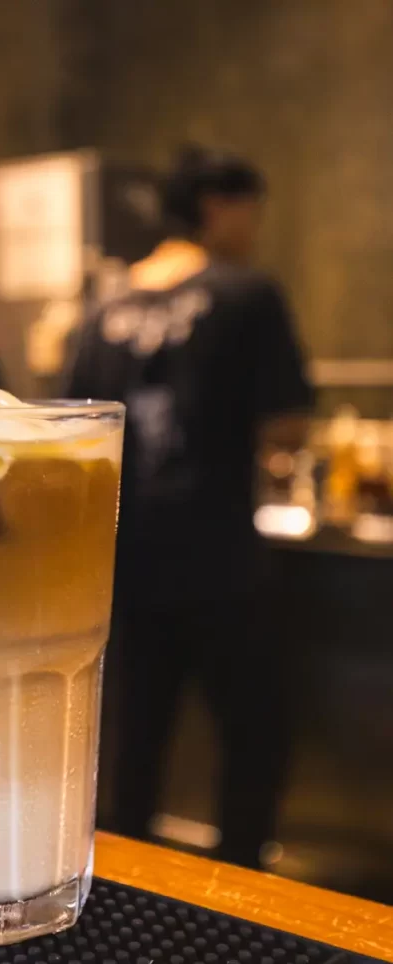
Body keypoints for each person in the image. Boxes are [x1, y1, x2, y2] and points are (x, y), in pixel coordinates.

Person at [69, 144, 314, 869]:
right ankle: (248, 891)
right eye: (251, 213)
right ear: (217, 207)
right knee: (255, 730)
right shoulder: (246, 293)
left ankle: (129, 882)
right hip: (218, 558)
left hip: (122, 564)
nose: (254, 230)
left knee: (131, 743)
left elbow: (70, 428)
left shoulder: (103, 307)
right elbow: (287, 425)